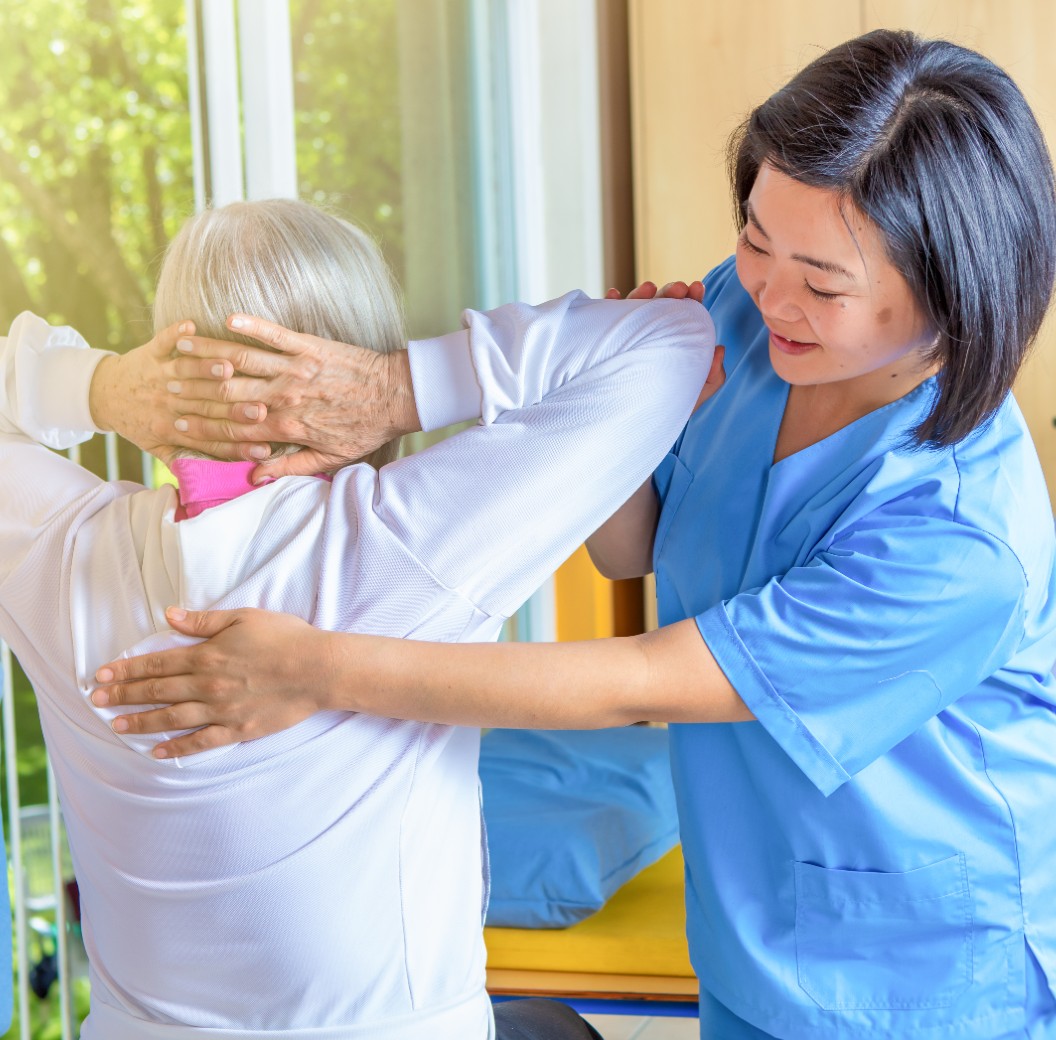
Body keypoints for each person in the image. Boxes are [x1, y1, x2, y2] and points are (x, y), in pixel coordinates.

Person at [96, 29, 1056, 1039]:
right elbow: (628, 550)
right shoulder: (755, 320)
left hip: (923, 971)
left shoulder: (959, 541)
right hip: (750, 921)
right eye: (754, 239)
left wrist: (315, 668)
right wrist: (608, 420)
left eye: (821, 282)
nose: (768, 292)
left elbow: (636, 678)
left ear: (955, 292)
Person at [0, 198, 715, 1038]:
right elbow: (672, 340)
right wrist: (396, 388)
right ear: (342, 370)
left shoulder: (55, 550)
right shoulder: (396, 543)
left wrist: (97, 387)